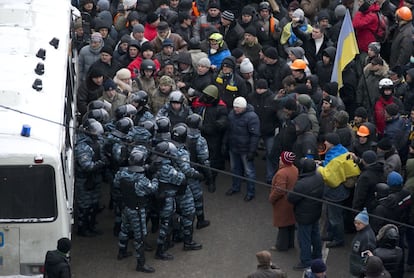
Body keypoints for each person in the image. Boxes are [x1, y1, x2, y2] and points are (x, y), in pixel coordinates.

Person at [113, 149, 157, 273]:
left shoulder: (121, 173)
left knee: (124, 229)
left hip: (126, 206)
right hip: (137, 210)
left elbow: (116, 183)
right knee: (140, 237)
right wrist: (155, 178)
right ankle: (141, 264)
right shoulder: (141, 180)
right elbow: (152, 189)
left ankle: (121, 252)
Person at [318, 133, 357, 248]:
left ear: (332, 143)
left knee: (335, 217)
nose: (325, 143)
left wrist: (319, 168)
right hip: (342, 189)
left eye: (327, 141)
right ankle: (331, 233)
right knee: (332, 214)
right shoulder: (342, 150)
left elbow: (330, 174)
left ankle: (338, 239)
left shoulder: (334, 157)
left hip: (335, 191)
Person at [288, 158, 324, 270]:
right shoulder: (319, 176)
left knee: (304, 239)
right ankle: (318, 255)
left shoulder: (302, 183)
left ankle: (306, 261)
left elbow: (291, 198)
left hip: (304, 215)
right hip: (315, 211)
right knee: (315, 235)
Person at [225, 97, 260, 201]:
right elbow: (228, 130)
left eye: (238, 107)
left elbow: (255, 135)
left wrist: (252, 151)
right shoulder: (231, 114)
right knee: (234, 169)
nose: (235, 109)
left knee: (249, 172)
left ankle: (250, 192)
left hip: (246, 149)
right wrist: (225, 143)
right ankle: (235, 187)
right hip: (233, 147)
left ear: (243, 107)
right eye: (234, 107)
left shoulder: (252, 117)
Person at [269, 151, 298, 251]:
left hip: (283, 203)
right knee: (290, 223)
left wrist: (271, 198)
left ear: (284, 161)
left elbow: (280, 190)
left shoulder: (282, 173)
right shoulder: (294, 169)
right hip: (292, 202)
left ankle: (281, 245)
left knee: (283, 225)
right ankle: (290, 244)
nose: (279, 159)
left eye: (281, 158)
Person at [349, 208, 377, 277]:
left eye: (359, 223)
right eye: (355, 222)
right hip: (355, 267)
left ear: (365, 223)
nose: (356, 225)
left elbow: (367, 259)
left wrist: (363, 271)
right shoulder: (361, 232)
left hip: (359, 272)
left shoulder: (367, 239)